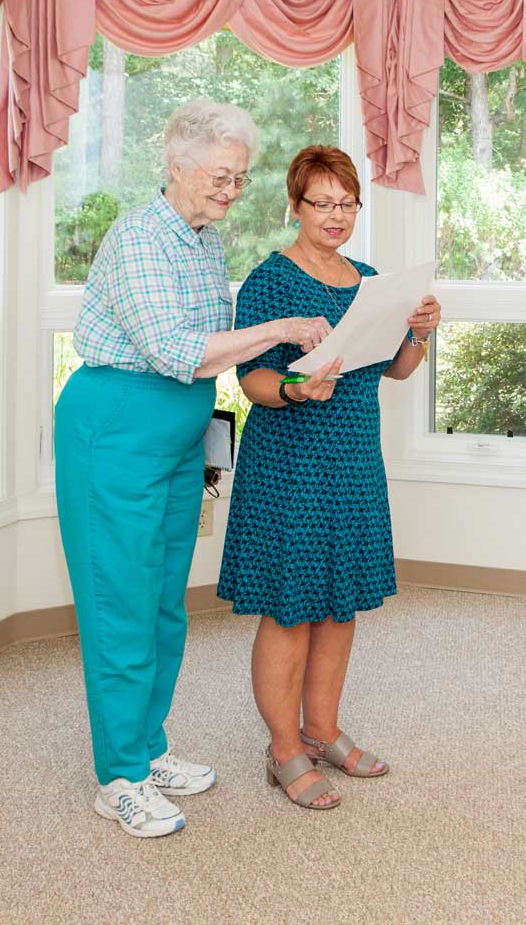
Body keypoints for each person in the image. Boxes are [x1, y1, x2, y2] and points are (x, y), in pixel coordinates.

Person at [54, 100, 331, 838]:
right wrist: (278, 329)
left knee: (163, 602)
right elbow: (178, 350)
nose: (232, 190)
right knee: (120, 604)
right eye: (220, 175)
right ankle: (118, 777)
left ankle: (146, 747)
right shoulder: (142, 237)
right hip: (115, 428)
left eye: (240, 178)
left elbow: (214, 343)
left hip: (178, 437)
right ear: (177, 163)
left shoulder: (203, 242)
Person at [218, 145, 439, 810]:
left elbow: (393, 369)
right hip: (289, 463)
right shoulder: (270, 281)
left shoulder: (370, 279)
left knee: (339, 606)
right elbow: (248, 377)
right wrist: (293, 387)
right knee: (292, 608)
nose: (337, 214)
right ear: (296, 206)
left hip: (351, 465)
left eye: (347, 202)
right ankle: (283, 748)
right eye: (323, 202)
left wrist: (421, 333)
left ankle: (322, 730)